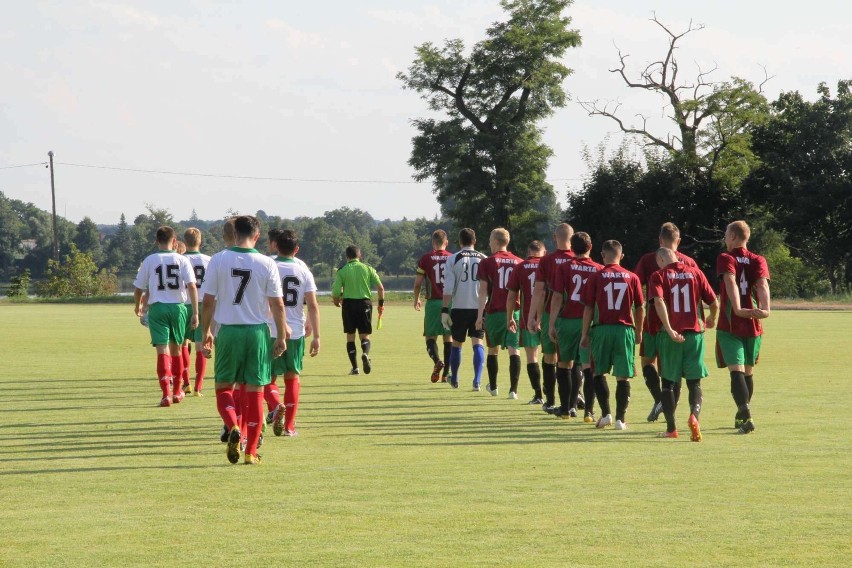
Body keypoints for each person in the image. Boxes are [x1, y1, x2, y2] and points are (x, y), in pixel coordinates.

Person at [201, 215, 289, 465]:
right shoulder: (266, 263)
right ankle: (251, 451)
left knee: (224, 389)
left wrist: (206, 332)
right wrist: (281, 335)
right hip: (257, 332)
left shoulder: (218, 259)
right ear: (257, 235)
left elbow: (208, 301)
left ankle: (232, 426)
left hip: (228, 331)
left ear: (234, 233)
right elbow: (277, 304)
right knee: (254, 392)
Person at [650, 247, 719, 441]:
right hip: (695, 334)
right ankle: (694, 416)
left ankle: (671, 428)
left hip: (671, 336)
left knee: (668, 384)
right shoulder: (696, 272)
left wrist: (670, 329)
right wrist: (712, 318)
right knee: (694, 382)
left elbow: (658, 302)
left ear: (661, 259)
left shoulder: (659, 275)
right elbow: (714, 301)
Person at [634, 222, 699, 422]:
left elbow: (635, 287)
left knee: (647, 361)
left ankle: (660, 400)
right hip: (684, 324)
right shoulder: (689, 262)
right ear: (678, 241)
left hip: (654, 321)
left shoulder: (648, 259)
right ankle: (669, 405)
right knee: (674, 369)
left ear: (660, 240)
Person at [580, 240, 644, 430]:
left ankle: (606, 414)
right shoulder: (632, 277)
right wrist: (639, 331)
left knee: (599, 372)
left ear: (603, 255)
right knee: (623, 376)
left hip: (602, 329)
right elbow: (640, 308)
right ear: (621, 256)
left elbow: (589, 308)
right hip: (625, 330)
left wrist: (585, 333)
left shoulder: (597, 276)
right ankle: (620, 419)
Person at [133, 226, 199, 407]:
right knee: (177, 349)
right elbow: (192, 286)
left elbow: (139, 288)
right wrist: (195, 312)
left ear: (157, 241)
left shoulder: (149, 260)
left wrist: (137, 305)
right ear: (175, 241)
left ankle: (165, 395)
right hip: (178, 308)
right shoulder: (182, 260)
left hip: (158, 308)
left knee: (162, 350)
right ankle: (178, 391)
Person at [715, 220, 770, 434]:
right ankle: (743, 415)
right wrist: (766, 308)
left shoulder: (725, 257)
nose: (725, 237)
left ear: (734, 237)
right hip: (754, 321)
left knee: (736, 370)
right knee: (747, 371)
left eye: (727, 234)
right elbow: (762, 285)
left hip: (731, 322)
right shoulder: (758, 259)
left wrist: (737, 308)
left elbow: (730, 281)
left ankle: (746, 415)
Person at [267, 229, 321, 437]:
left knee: (266, 378)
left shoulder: (268, 266)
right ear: (296, 250)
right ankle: (289, 426)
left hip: (271, 329)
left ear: (275, 246)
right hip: (296, 331)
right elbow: (314, 305)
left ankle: (274, 405)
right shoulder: (303, 271)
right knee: (292, 377)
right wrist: (316, 335)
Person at [549, 232, 603, 420]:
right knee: (587, 365)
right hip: (590, 323)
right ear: (590, 247)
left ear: (572, 248)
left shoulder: (564, 267)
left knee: (564, 363)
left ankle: (565, 409)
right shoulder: (599, 269)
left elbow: (557, 297)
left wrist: (551, 324)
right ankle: (588, 411)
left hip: (568, 320)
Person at [527, 223, 574, 412]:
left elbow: (539, 290)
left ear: (555, 237)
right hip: (575, 315)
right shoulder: (578, 259)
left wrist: (533, 317)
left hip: (550, 313)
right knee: (572, 359)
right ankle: (573, 399)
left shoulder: (547, 261)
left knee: (549, 356)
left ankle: (550, 400)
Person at [476, 228, 523, 398]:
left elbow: (482, 291)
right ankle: (513, 390)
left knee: (492, 350)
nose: (489, 243)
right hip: (515, 312)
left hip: (495, 311)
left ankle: (494, 387)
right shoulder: (519, 262)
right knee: (514, 349)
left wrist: (479, 315)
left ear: (496, 241)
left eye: (490, 239)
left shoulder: (487, 263)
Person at [441, 228, 487, 390]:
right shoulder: (484, 258)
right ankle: (477, 381)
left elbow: (448, 288)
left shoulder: (453, 259)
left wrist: (445, 310)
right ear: (475, 241)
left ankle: (454, 379)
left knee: (457, 344)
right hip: (479, 308)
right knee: (478, 343)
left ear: (460, 242)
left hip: (459, 307)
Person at [332, 245, 384, 375]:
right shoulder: (368, 269)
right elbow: (380, 288)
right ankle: (365, 354)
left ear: (347, 257)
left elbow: (336, 291)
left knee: (350, 336)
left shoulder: (342, 271)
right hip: (364, 304)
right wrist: (381, 304)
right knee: (364, 335)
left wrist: (336, 301)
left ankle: (355, 368)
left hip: (348, 305)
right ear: (359, 256)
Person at [507, 240, 546, 404]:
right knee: (553, 356)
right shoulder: (549, 265)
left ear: (528, 252)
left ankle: (538, 395)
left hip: (526, 316)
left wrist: (509, 317)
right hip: (549, 316)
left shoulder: (520, 267)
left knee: (532, 355)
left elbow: (511, 296)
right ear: (543, 252)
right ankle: (553, 392)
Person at [413, 229, 453, 383]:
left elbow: (418, 284)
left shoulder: (425, 259)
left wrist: (416, 299)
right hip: (450, 302)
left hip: (433, 303)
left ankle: (437, 361)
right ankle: (445, 375)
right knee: (448, 337)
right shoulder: (452, 258)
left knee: (430, 337)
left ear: (432, 242)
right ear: (446, 242)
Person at [181, 227, 211, 396]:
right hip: (203, 304)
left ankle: (186, 383)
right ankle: (198, 387)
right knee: (201, 344)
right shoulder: (209, 260)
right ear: (200, 241)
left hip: (183, 304)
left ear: (184, 242)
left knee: (183, 343)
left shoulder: (178, 259)